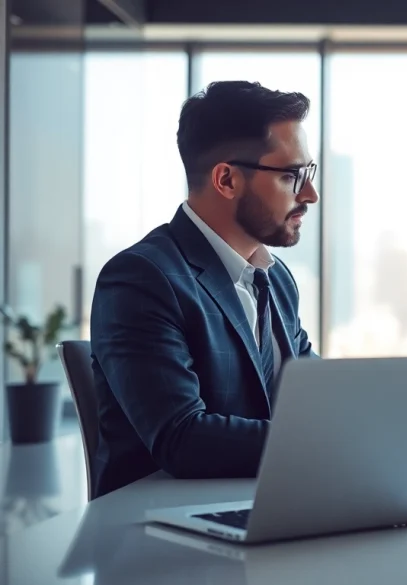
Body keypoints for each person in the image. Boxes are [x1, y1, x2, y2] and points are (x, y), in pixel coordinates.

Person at [89, 81, 321, 497]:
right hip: (159, 532)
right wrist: (338, 442)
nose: (310, 194)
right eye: (291, 175)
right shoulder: (141, 278)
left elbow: (316, 397)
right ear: (227, 179)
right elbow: (182, 437)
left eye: (307, 173)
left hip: (266, 505)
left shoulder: (278, 280)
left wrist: (384, 433)